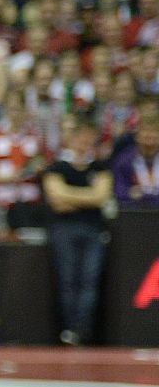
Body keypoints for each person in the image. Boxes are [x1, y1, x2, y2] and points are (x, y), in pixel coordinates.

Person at [42, 119, 113, 345]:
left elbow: (101, 196)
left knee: (89, 280)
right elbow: (56, 199)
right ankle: (70, 329)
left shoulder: (99, 167)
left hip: (93, 229)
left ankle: (84, 331)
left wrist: (70, 196)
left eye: (88, 138)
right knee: (68, 280)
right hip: (64, 229)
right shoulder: (57, 166)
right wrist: (88, 197)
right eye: (79, 137)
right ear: (70, 139)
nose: (83, 143)